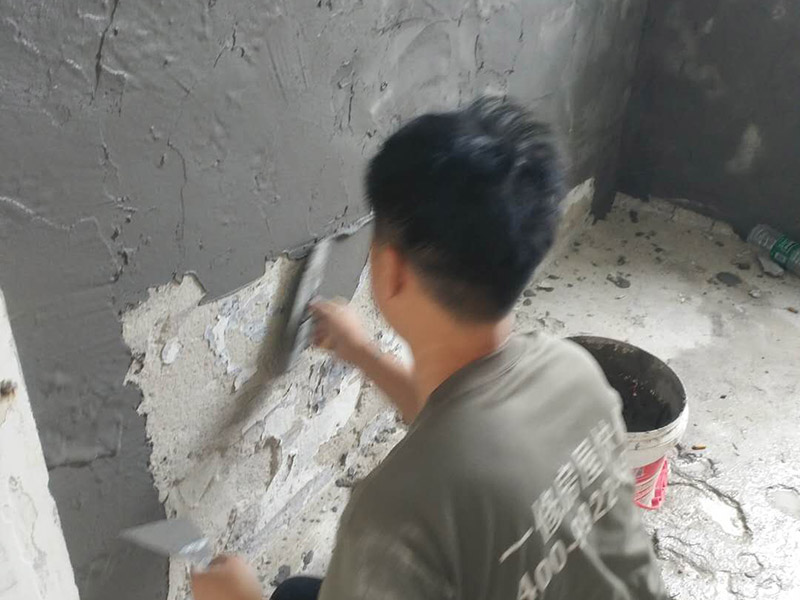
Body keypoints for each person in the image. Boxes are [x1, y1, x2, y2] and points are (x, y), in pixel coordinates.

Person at [191, 96, 667, 600]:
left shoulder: (396, 515)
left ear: (391, 270)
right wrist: (361, 352)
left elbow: (453, 455)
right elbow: (462, 431)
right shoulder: (572, 370)